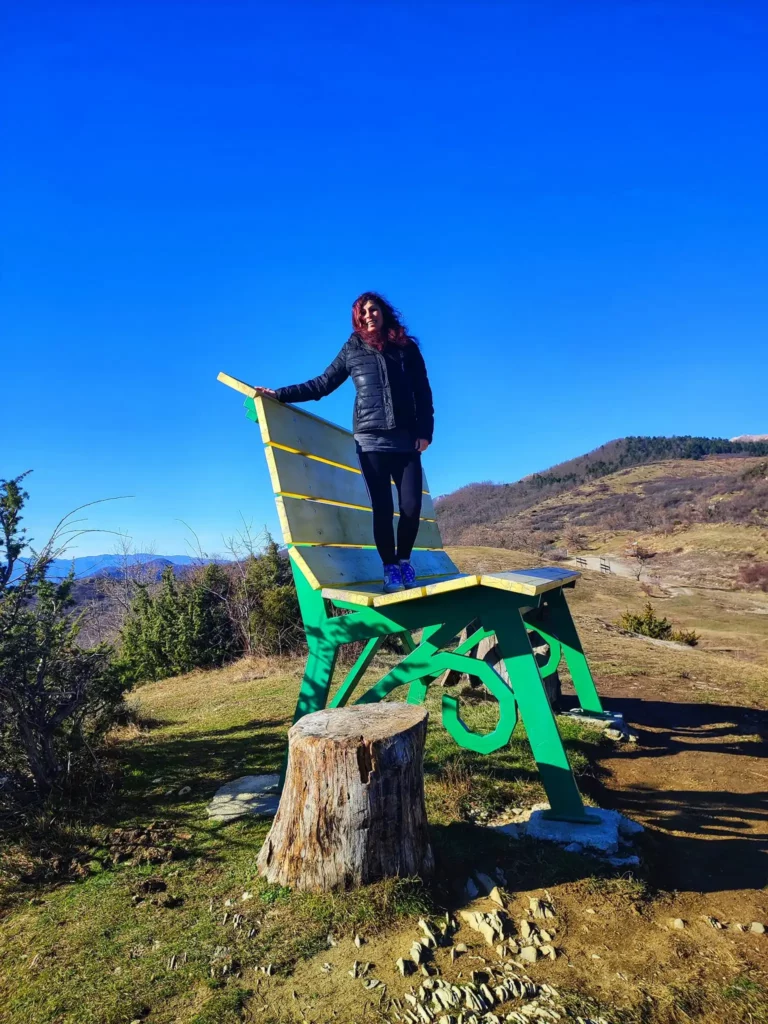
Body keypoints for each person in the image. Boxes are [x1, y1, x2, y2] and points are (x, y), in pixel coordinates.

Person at [255, 292, 434, 593]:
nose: (368, 315)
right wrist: (280, 394)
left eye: (373, 309)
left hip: (405, 441)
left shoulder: (406, 348)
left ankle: (404, 561)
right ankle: (390, 568)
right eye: (362, 312)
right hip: (370, 441)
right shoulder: (353, 347)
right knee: (382, 507)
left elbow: (423, 393)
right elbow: (322, 384)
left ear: (383, 312)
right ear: (357, 318)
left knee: (411, 506)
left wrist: (425, 432)